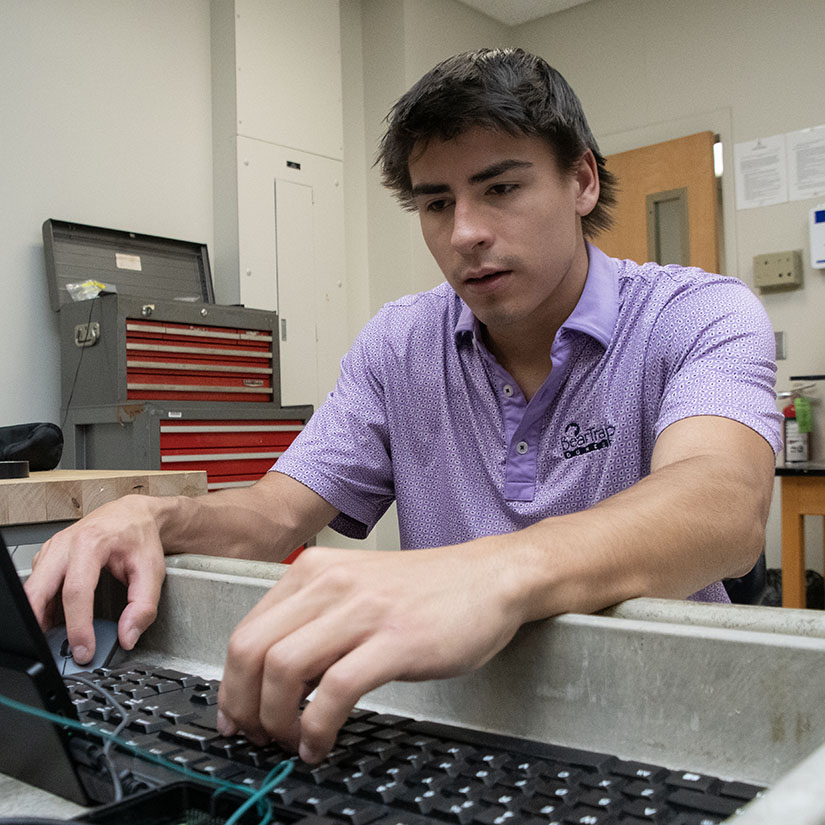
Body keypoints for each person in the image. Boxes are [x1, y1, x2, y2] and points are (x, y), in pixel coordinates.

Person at [25, 48, 782, 765]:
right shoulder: (399, 343)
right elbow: (270, 517)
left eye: (501, 188)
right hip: (444, 716)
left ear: (581, 180)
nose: (465, 233)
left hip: (659, 723)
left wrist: (493, 573)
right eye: (435, 203)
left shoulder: (696, 314)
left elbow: (721, 504)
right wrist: (155, 516)